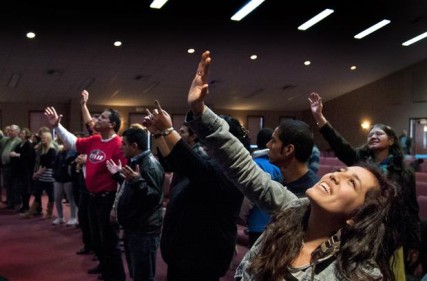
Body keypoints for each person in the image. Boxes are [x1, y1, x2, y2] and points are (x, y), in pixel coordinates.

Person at [146, 50, 403, 280]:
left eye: (351, 182)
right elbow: (241, 165)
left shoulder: (358, 275)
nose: (336, 176)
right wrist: (200, 110)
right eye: (342, 171)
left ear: (357, 217)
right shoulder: (293, 209)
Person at [308, 92, 421, 278]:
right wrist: (319, 117)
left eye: (379, 133)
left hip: (392, 234)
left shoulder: (403, 171)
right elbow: (338, 144)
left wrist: (414, 244)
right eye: (371, 134)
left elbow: (410, 208)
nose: (374, 136)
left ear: (391, 140)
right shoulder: (359, 162)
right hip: (363, 231)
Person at [143, 107, 249, 281]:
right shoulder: (211, 163)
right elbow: (175, 161)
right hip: (186, 256)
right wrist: (157, 134)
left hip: (201, 260)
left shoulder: (229, 170)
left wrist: (167, 130)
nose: (204, 140)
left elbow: (191, 163)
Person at [44, 102, 127, 281]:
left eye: (103, 117)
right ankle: (105, 271)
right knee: (97, 240)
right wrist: (57, 126)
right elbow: (73, 142)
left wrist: (115, 207)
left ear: (112, 124)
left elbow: (123, 181)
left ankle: (116, 277)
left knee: (110, 243)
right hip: (92, 197)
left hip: (108, 199)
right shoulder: (95, 140)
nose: (98, 119)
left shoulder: (119, 145)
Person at [105, 127, 164, 281]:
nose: (120, 146)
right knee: (136, 273)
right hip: (135, 228)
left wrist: (137, 181)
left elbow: (154, 198)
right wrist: (120, 176)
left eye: (124, 144)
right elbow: (133, 189)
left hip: (144, 232)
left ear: (134, 146)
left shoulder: (149, 165)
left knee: (143, 275)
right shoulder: (136, 161)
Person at [239, 127, 283, 247]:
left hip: (257, 223)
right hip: (275, 222)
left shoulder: (255, 165)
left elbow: (248, 198)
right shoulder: (278, 165)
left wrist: (241, 217)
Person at [52, 138, 78, 226]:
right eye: (64, 143)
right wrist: (54, 175)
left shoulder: (74, 153)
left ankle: (73, 218)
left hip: (68, 179)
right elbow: (55, 164)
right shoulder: (60, 153)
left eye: (67, 143)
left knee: (71, 199)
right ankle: (60, 217)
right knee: (57, 198)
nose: (65, 145)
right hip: (58, 178)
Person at [9, 127, 36, 213]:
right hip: (19, 169)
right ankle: (23, 205)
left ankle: (26, 206)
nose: (21, 134)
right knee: (21, 188)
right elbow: (16, 153)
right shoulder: (20, 144)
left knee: (26, 188)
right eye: (21, 133)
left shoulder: (28, 144)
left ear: (27, 135)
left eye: (23, 133)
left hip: (26, 170)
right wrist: (13, 154)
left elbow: (29, 157)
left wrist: (17, 155)